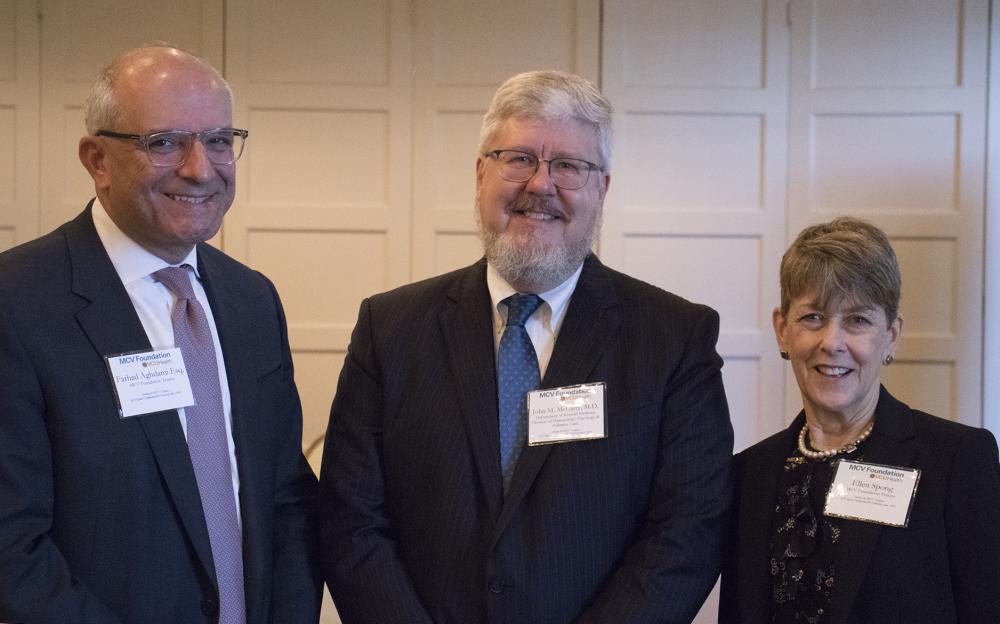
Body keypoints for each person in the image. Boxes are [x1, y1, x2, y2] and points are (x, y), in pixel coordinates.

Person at [319, 70, 734, 623]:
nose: (541, 184)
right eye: (518, 158)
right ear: (480, 174)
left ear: (602, 189)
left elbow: (688, 529)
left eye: (569, 165)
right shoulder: (390, 328)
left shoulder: (675, 338)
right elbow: (352, 520)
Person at [0, 45, 321, 623]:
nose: (200, 168)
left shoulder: (252, 300)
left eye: (220, 140)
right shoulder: (17, 302)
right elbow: (11, 546)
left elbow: (286, 500)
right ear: (97, 159)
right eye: (164, 142)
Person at [719, 217, 1000, 623]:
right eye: (813, 317)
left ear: (891, 335)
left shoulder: (957, 461)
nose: (831, 342)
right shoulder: (750, 473)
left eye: (858, 320)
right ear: (782, 330)